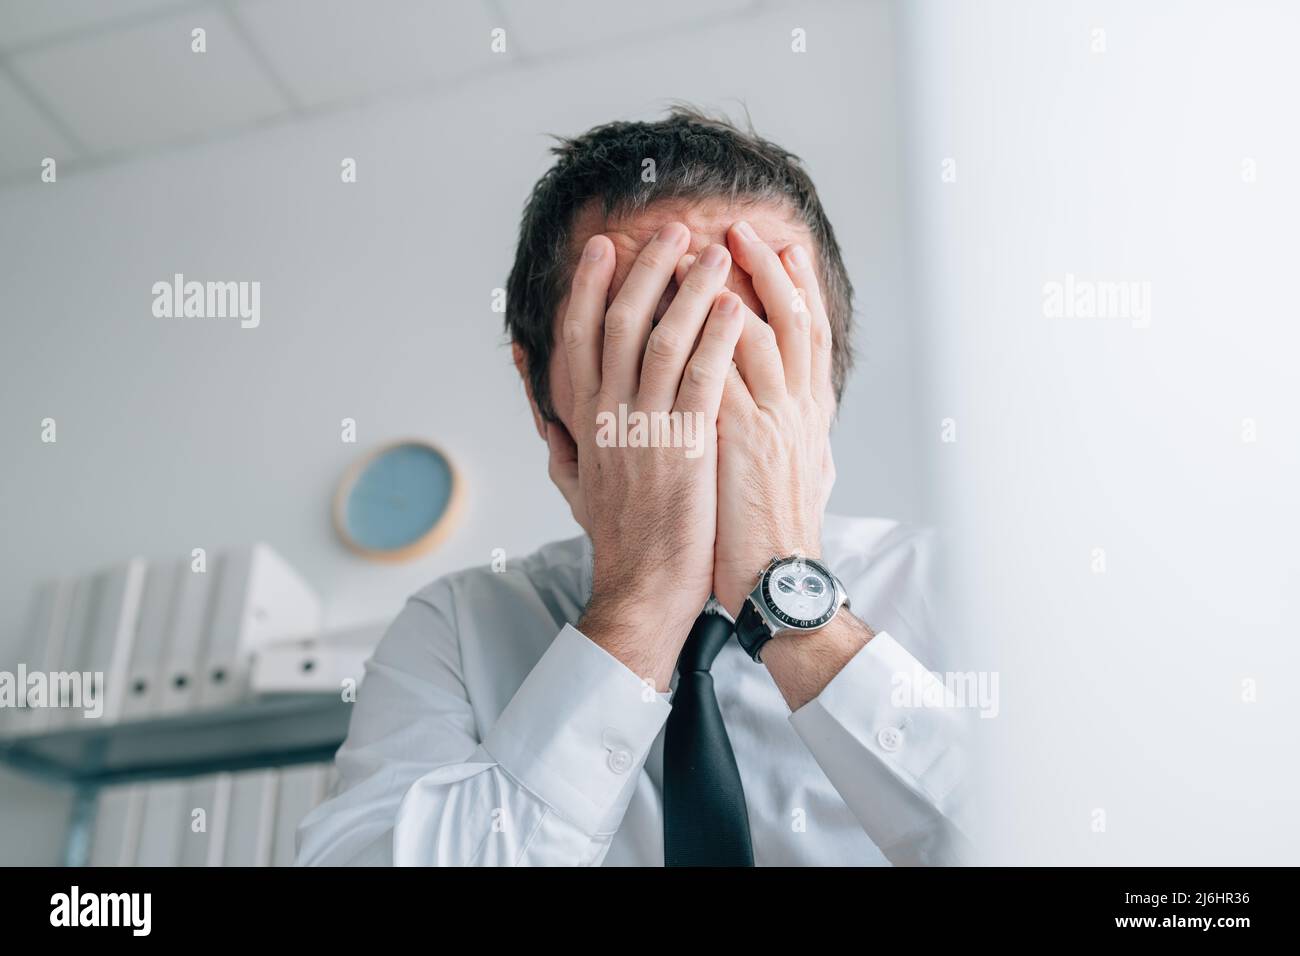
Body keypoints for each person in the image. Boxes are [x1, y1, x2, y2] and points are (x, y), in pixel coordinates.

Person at [298, 108, 973, 866]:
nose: (696, 394)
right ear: (544, 404)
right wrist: (643, 598)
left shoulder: (969, 591)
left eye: (746, 346)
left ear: (823, 387)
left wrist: (794, 603)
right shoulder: (456, 630)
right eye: (647, 350)